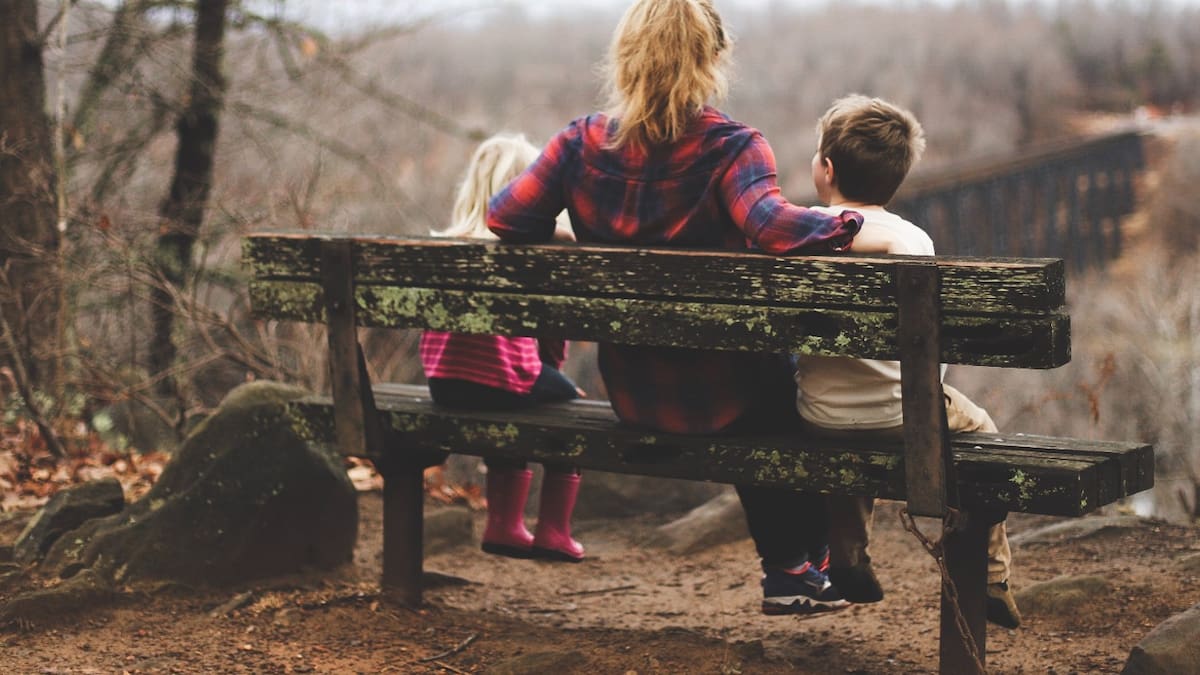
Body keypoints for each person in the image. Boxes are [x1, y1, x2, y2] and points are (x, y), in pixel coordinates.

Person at [487, 0, 864, 615]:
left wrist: (577, 236)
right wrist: (852, 222)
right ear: (712, 61)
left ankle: (801, 566)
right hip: (730, 398)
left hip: (636, 394)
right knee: (786, 381)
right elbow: (771, 226)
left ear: (626, 59)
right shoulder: (733, 148)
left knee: (762, 377)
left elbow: (505, 216)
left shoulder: (578, 144)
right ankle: (798, 564)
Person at [795, 94, 1022, 628]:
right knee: (982, 431)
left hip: (819, 415)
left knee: (849, 430)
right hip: (906, 415)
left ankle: (848, 556)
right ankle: (991, 574)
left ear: (826, 170)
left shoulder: (798, 232)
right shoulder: (913, 240)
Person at [420, 133, 586, 563]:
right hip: (502, 381)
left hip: (444, 384)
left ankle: (505, 525)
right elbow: (550, 335)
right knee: (570, 407)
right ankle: (552, 531)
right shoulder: (527, 250)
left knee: (514, 393)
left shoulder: (445, 245)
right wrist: (554, 373)